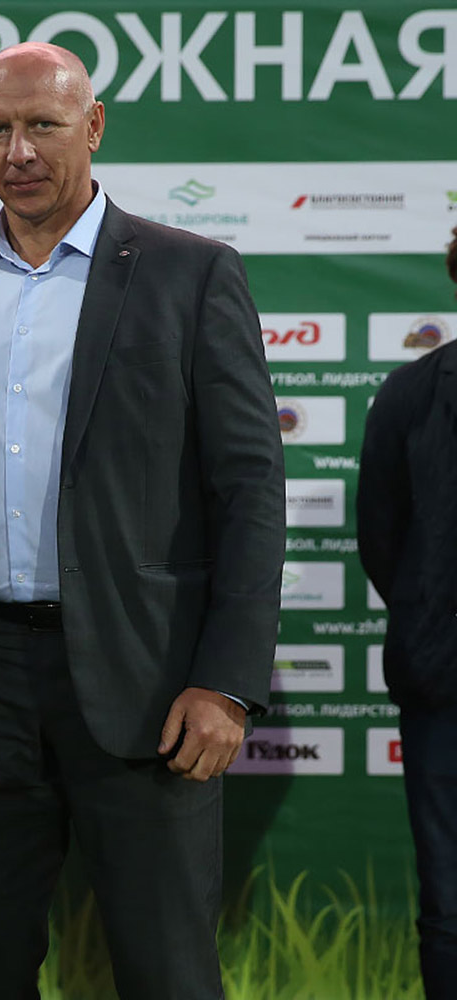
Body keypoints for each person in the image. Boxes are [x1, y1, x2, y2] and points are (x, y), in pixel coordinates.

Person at [0, 42, 285, 998]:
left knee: (169, 974)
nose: (19, 151)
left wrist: (226, 681)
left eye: (43, 126)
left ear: (92, 128)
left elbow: (251, 489)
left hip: (150, 684)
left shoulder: (191, 275)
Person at [356, 227, 457, 1000]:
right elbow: (382, 539)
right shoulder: (410, 394)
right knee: (450, 906)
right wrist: (433, 616)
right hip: (443, 684)